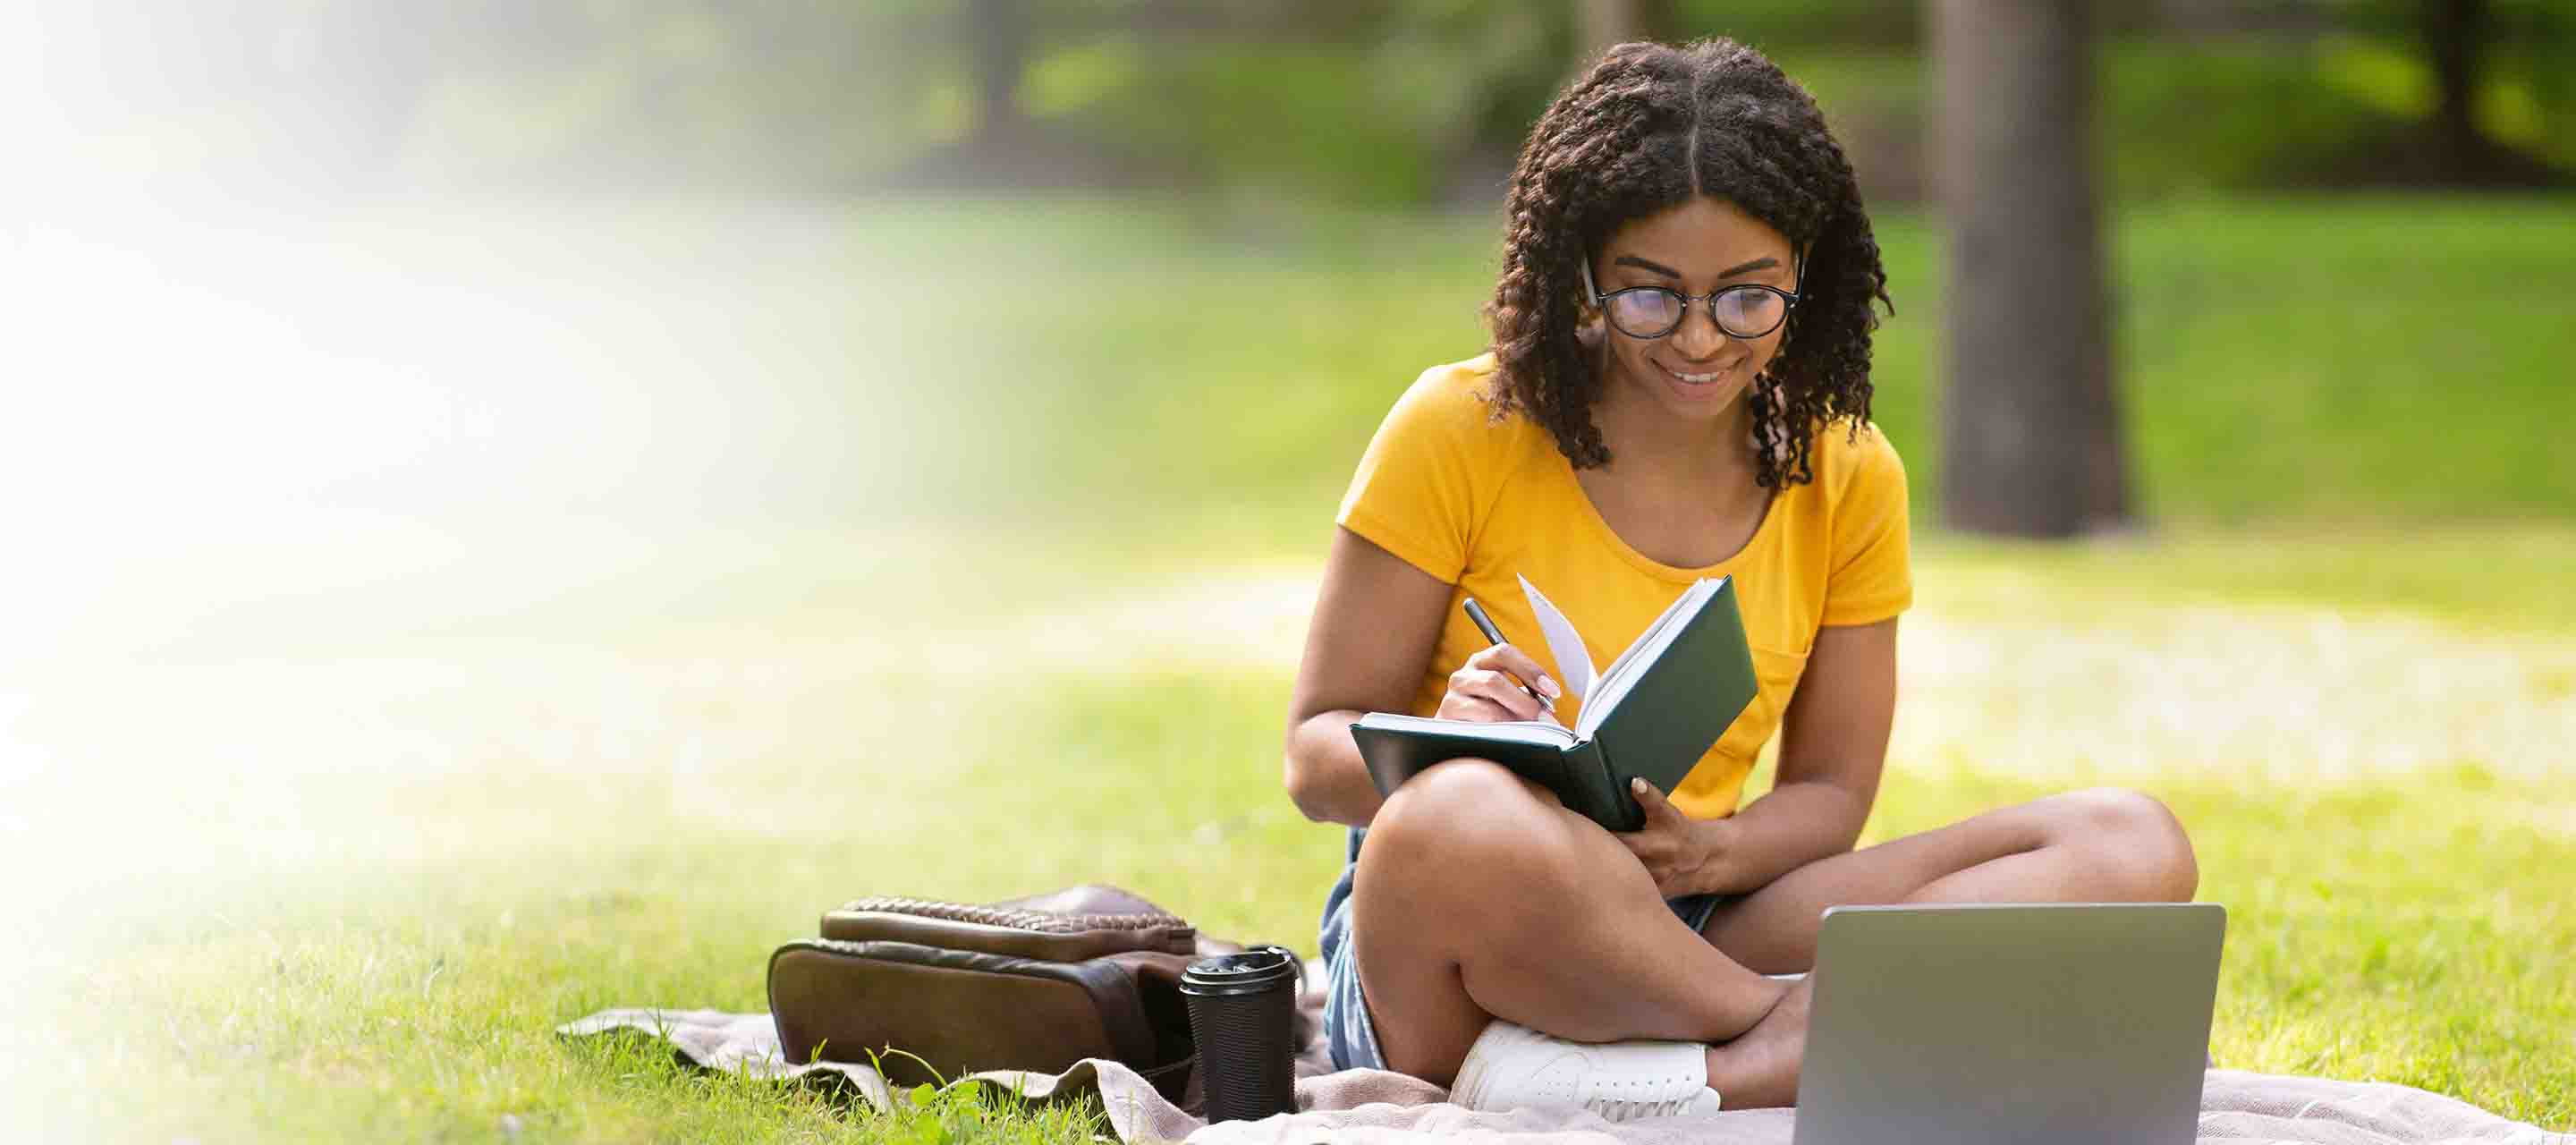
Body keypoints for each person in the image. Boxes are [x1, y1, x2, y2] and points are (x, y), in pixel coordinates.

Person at [1280, 38, 2199, 1116]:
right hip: (1460, 938)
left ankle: (1714, 1066)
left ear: (1803, 276)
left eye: (1748, 297)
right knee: (1457, 812)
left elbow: (1831, 794)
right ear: (1585, 271)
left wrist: (1709, 851)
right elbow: (1312, 756)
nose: (1701, 338)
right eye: (1651, 297)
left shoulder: (1846, 470)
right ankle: (1813, 1031)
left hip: (1690, 917)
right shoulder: (1458, 427)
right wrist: (1444, 736)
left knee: (2128, 840)